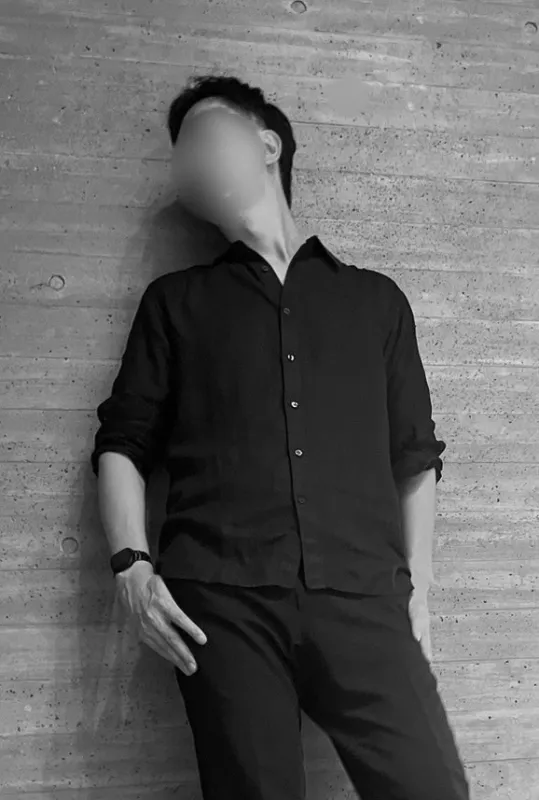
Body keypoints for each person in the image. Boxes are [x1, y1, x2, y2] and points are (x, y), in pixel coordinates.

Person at [90, 73, 471, 800]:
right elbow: (122, 442)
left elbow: (415, 457)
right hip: (220, 606)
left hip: (366, 596)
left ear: (267, 144)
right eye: (179, 150)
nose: (185, 158)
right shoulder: (176, 303)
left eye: (201, 134)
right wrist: (131, 570)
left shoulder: (376, 301)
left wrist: (419, 591)